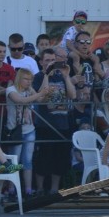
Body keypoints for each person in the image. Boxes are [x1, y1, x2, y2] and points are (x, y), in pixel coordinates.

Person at [32, 50, 76, 195]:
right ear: (41, 62)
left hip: (62, 122)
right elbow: (42, 97)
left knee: (60, 157)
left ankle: (54, 189)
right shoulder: (38, 77)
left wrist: (66, 75)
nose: (50, 62)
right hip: (45, 123)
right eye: (47, 60)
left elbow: (72, 95)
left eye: (53, 60)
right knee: (43, 157)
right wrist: (47, 75)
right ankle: (39, 189)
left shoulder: (60, 76)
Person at [5, 68, 45, 197]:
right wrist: (40, 94)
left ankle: (28, 190)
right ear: (19, 78)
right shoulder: (11, 90)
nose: (29, 82)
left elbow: (40, 100)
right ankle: (11, 189)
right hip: (15, 130)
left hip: (29, 129)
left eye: (30, 80)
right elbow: (20, 100)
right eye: (26, 79)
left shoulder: (29, 90)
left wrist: (47, 78)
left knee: (27, 160)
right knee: (14, 160)